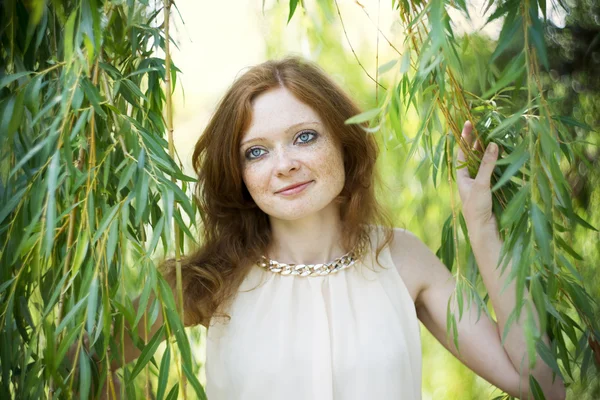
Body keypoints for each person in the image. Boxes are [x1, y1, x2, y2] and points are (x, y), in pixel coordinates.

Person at [109, 57, 566, 399]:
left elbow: (540, 385)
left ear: (344, 145)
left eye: (304, 137)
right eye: (256, 152)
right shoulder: (208, 279)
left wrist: (481, 224)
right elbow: (79, 364)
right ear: (239, 175)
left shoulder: (402, 259)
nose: (285, 165)